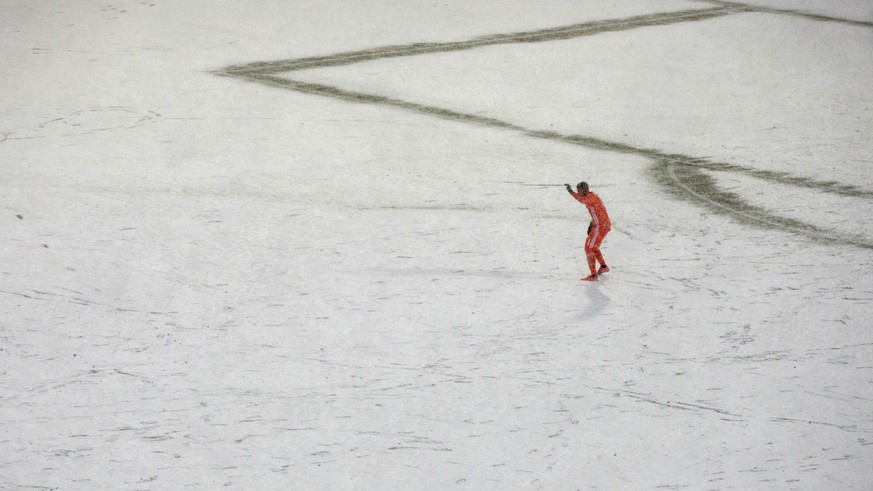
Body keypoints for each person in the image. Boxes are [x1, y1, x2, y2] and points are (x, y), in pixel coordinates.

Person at [565, 181, 611, 281]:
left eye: (579, 190)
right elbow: (598, 211)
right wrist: (592, 223)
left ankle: (593, 275)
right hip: (599, 225)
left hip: (601, 226)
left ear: (584, 190)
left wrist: (571, 192)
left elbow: (582, 200)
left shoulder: (591, 197)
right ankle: (603, 267)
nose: (578, 192)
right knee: (593, 247)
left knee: (588, 248)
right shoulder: (592, 197)